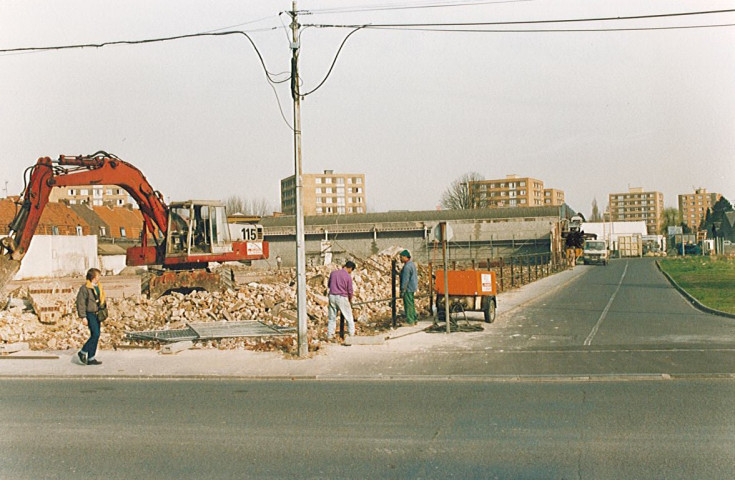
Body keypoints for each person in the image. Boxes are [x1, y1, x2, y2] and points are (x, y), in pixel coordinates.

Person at [76, 268, 106, 365]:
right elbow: (81, 303)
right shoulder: (85, 288)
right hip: (90, 314)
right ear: (93, 277)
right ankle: (83, 352)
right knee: (95, 334)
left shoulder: (99, 286)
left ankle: (91, 358)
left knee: (96, 335)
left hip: (98, 313)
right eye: (98, 275)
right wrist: (83, 317)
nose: (99, 277)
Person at [327, 260, 356, 340]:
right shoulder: (348, 277)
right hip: (342, 297)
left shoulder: (333, 273)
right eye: (351, 270)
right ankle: (351, 335)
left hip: (332, 296)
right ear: (350, 268)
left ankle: (330, 335)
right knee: (349, 317)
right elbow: (350, 290)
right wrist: (350, 300)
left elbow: (329, 285)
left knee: (332, 318)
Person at [399, 249, 418, 325]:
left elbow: (405, 280)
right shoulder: (412, 264)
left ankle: (410, 321)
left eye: (401, 257)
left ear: (405, 257)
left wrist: (403, 290)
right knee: (411, 304)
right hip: (412, 287)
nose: (400, 259)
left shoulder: (407, 267)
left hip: (408, 288)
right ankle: (414, 318)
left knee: (408, 305)